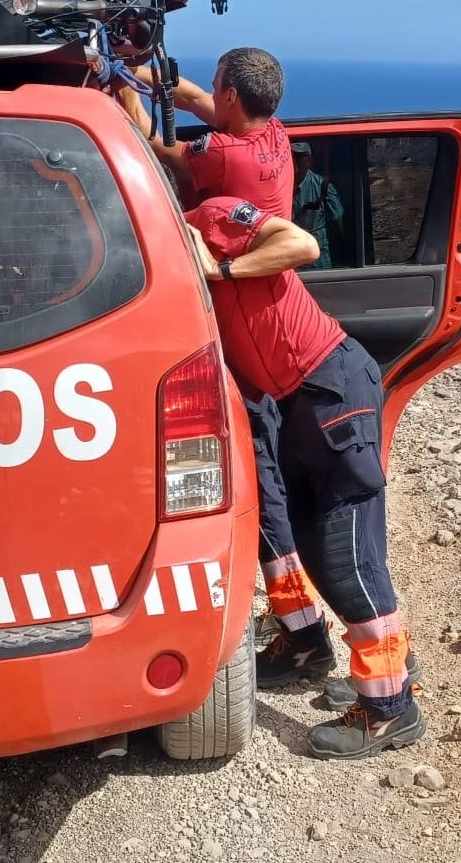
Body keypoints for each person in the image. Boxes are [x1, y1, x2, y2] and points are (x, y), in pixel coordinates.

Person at [112, 48, 336, 694]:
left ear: (232, 98)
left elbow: (159, 150)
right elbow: (191, 97)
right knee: (271, 486)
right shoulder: (270, 136)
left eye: (218, 88)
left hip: (243, 347)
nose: (209, 94)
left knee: (262, 492)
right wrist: (140, 71)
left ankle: (301, 634)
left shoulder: (221, 156)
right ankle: (301, 625)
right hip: (270, 346)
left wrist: (123, 96)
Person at [183, 195, 423, 758]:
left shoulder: (213, 216)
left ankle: (389, 707)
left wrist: (218, 268)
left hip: (330, 382)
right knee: (315, 545)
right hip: (295, 402)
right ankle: (359, 666)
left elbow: (302, 244)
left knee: (347, 556)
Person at [118, 47, 291, 216]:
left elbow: (155, 145)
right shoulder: (275, 130)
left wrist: (120, 76)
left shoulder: (224, 153)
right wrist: (134, 70)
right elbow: (195, 98)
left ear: (231, 96)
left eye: (215, 89)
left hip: (221, 245)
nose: (213, 95)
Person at [290, 142, 343, 269]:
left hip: (318, 260)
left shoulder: (322, 186)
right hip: (291, 257)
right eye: (292, 156)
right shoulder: (279, 186)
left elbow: (337, 220)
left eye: (299, 157)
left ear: (309, 160)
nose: (295, 162)